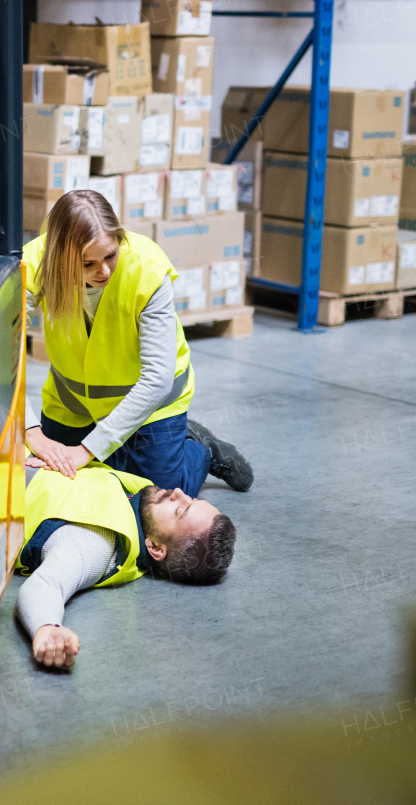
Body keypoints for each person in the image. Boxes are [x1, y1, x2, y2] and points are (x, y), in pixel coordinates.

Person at [22, 190, 252, 495]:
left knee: (155, 496)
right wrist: (30, 431)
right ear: (60, 258)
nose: (102, 271)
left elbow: (157, 380)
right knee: (51, 481)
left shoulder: (148, 269)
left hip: (153, 403)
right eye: (87, 263)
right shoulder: (35, 263)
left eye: (110, 256)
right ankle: (122, 452)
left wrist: (88, 450)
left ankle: (201, 448)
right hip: (73, 403)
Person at [17, 462, 237, 668]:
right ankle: (201, 450)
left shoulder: (95, 543)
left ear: (156, 548)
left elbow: (46, 585)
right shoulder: (142, 501)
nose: (178, 493)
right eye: (191, 499)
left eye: (179, 511)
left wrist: (46, 627)